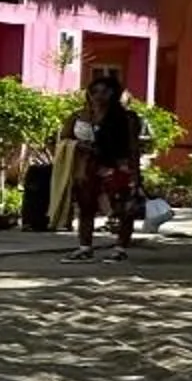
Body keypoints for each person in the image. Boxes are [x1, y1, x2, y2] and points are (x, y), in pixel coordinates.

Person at [63, 70, 144, 262]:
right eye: (95, 91)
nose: (99, 96)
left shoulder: (126, 118)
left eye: (105, 91)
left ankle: (120, 249)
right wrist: (77, 146)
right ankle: (85, 247)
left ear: (114, 94)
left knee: (123, 207)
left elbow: (133, 146)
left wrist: (135, 173)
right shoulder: (79, 117)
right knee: (86, 206)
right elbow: (62, 139)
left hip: (118, 166)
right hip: (88, 167)